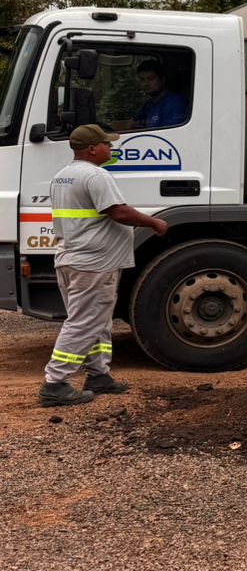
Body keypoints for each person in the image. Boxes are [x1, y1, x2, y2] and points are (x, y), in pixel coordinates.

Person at [39, 124, 169, 408]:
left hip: (73, 258)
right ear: (92, 149)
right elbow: (118, 212)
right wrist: (153, 223)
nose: (111, 149)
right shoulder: (96, 175)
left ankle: (99, 375)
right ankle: (55, 383)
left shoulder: (63, 176)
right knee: (84, 322)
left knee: (96, 321)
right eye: (107, 145)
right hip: (95, 263)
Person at [134, 59, 187, 128]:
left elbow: (170, 134)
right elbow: (131, 123)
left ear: (162, 80)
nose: (145, 84)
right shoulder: (149, 104)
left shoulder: (175, 103)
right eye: (142, 79)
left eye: (151, 79)